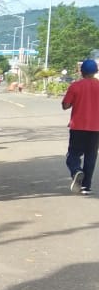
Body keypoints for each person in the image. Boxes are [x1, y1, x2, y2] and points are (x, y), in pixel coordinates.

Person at [62, 58, 99, 196]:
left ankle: (76, 170)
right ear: (96, 71)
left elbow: (65, 105)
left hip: (78, 127)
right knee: (91, 157)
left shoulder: (75, 86)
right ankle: (86, 187)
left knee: (73, 155)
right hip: (96, 129)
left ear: (81, 71)